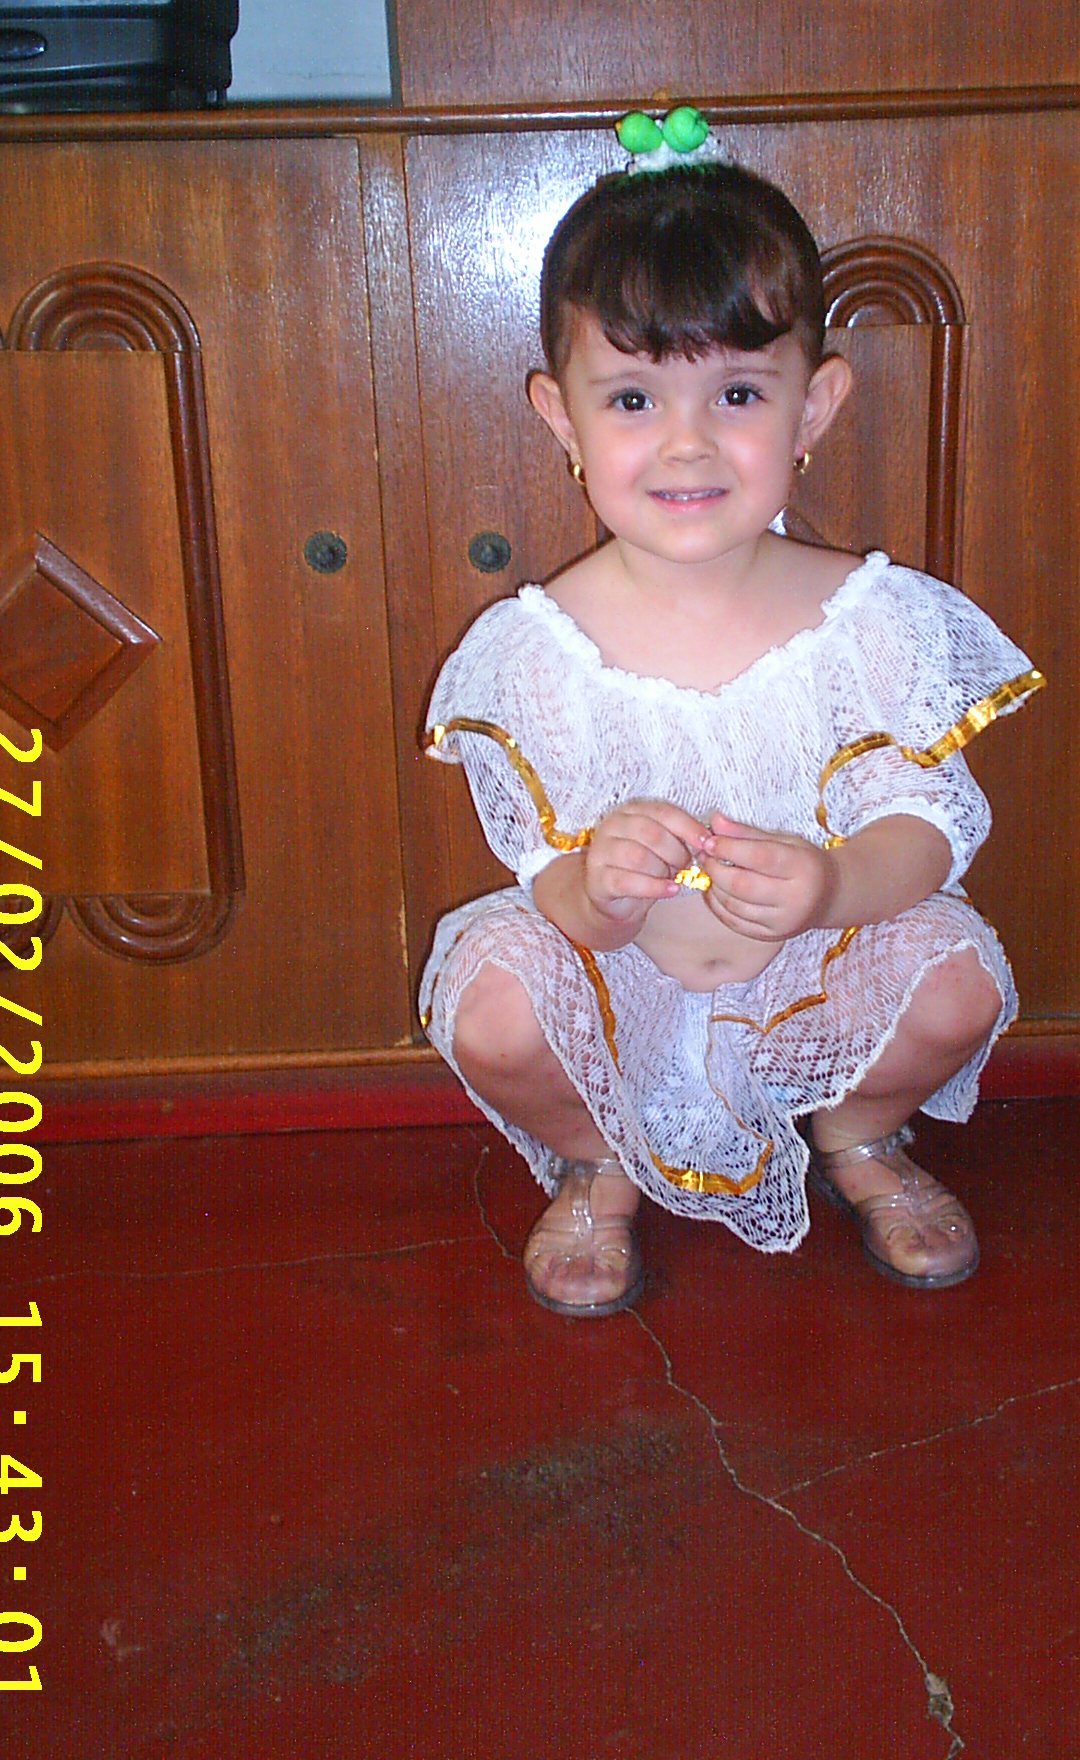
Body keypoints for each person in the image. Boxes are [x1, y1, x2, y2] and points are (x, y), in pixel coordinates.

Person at [419, 109, 1041, 1317]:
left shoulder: (870, 618)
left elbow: (927, 831)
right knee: (491, 997)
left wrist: (830, 884)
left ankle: (859, 1130)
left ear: (814, 407)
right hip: (624, 983)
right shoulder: (536, 650)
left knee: (958, 975)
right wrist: (597, 884)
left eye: (740, 392)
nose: (688, 444)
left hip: (819, 960)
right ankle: (597, 1159)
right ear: (561, 418)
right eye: (633, 400)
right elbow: (548, 884)